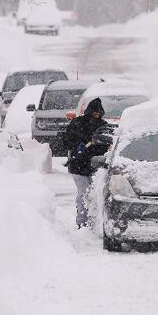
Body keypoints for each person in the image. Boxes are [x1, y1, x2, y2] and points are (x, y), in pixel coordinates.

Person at [62, 97, 108, 228]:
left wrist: (96, 147)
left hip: (95, 166)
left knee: (94, 194)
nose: (97, 115)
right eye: (94, 112)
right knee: (84, 192)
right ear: (89, 111)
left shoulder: (103, 126)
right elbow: (65, 142)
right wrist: (77, 146)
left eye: (99, 113)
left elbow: (106, 145)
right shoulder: (77, 124)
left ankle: (92, 221)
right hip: (78, 166)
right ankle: (82, 222)